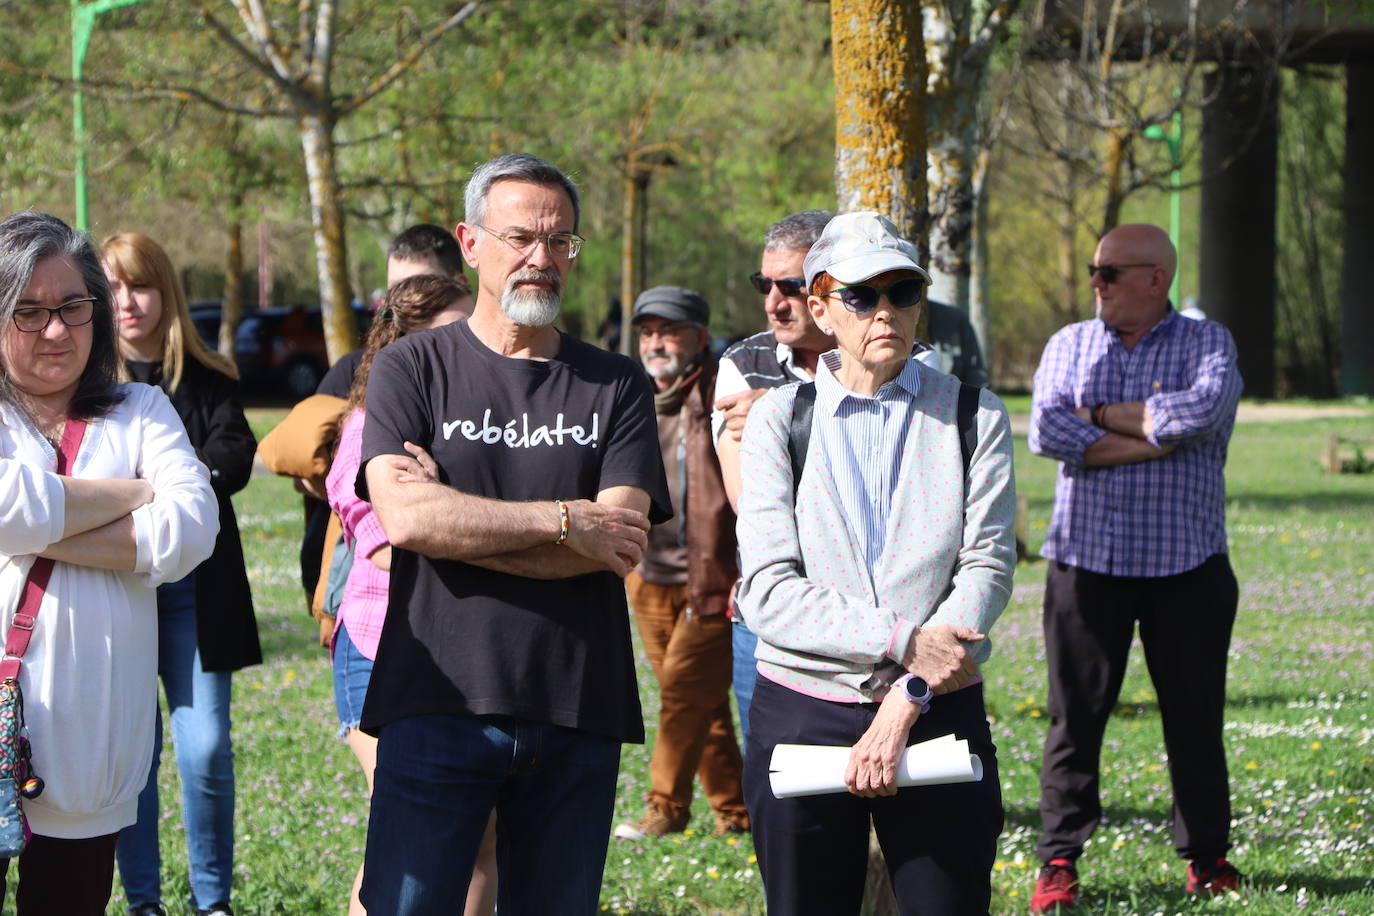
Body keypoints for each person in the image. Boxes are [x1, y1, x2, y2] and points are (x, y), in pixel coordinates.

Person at [357, 153, 670, 915]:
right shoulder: (410, 368)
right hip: (435, 701)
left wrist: (456, 520)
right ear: (470, 244)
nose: (543, 258)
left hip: (576, 707)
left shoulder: (616, 381)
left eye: (561, 241)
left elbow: (621, 541)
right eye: (522, 237)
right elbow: (405, 518)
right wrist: (564, 520)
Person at [734, 211, 1015, 915]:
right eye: (862, 294)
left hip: (938, 706)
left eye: (902, 291)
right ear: (821, 307)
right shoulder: (777, 419)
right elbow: (768, 592)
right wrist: (901, 641)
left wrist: (907, 694)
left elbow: (986, 567)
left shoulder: (975, 417)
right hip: (803, 710)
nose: (885, 310)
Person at [0, 210, 217, 914]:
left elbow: (191, 527)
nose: (56, 330)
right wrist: (129, 495)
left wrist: (32, 524)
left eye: (72, 307)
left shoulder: (142, 409)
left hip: (89, 759)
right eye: (28, 312)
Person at [1026, 224, 1244, 913]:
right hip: (1085, 565)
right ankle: (1059, 860)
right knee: (1073, 719)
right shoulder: (1070, 345)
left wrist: (1093, 426)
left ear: (1156, 278)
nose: (1097, 282)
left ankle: (1207, 859)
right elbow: (1047, 430)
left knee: (1194, 716)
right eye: (1095, 269)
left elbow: (1199, 412)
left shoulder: (1207, 342)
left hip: (1187, 562)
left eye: (1111, 272)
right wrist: (1155, 437)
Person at [100, 232, 262, 916]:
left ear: (166, 293)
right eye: (111, 287)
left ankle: (212, 902)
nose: (127, 302)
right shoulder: (87, 387)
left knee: (205, 750)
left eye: (140, 285)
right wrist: (172, 490)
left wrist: (147, 487)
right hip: (119, 595)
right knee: (135, 761)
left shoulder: (212, 376)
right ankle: (144, 904)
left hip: (199, 596)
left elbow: (235, 456)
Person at [323, 273, 482, 916]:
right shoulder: (367, 426)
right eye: (450, 333)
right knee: (404, 833)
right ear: (403, 343)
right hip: (379, 646)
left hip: (462, 650)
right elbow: (389, 546)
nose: (470, 345)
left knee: (479, 836)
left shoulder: (470, 418)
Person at [613, 286, 747, 841]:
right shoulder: (633, 395)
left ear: (699, 337)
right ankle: (735, 813)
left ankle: (666, 807)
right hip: (647, 575)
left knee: (681, 693)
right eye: (647, 331)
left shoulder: (722, 395)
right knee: (703, 699)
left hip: (710, 578)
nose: (656, 342)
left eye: (668, 331)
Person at [711, 209, 836, 744]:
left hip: (882, 611)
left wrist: (782, 411)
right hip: (772, 610)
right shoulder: (744, 362)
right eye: (765, 284)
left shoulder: (901, 358)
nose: (772, 303)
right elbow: (751, 501)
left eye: (791, 286)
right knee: (779, 782)